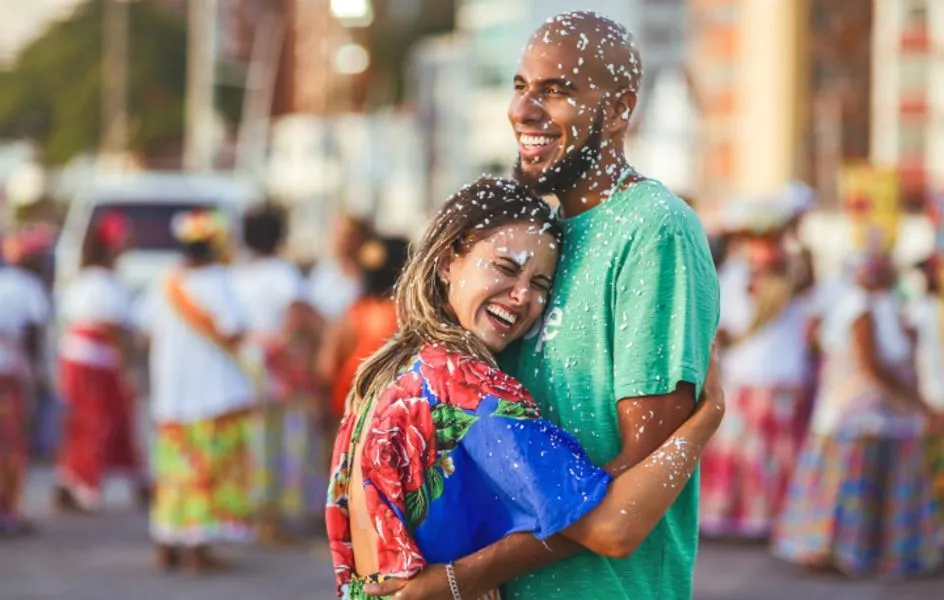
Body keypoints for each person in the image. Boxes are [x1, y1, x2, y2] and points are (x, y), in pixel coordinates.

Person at [369, 11, 720, 600]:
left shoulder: (654, 229)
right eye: (520, 86)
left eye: (556, 92)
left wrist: (459, 579)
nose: (524, 111)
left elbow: (638, 477)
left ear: (618, 109)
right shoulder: (539, 235)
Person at [327, 176, 724, 600]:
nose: (520, 297)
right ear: (447, 260)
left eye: (540, 286)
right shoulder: (466, 388)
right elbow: (615, 528)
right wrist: (704, 420)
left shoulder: (391, 372)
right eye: (505, 267)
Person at [772, 250, 942, 577]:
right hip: (859, 414)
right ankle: (846, 551)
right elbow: (872, 367)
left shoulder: (887, 310)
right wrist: (916, 402)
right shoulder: (861, 311)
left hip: (876, 415)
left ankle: (862, 551)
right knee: (854, 485)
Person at [134, 209, 253, 572]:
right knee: (208, 472)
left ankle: (168, 541)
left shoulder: (165, 282)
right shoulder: (220, 281)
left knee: (173, 472)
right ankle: (197, 549)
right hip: (215, 395)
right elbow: (234, 330)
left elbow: (144, 330)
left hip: (173, 395)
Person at [699, 238, 812, 538]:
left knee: (773, 456)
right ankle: (730, 516)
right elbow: (722, 330)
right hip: (745, 383)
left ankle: (772, 519)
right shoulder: (732, 286)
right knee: (739, 454)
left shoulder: (792, 289)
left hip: (778, 384)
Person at [231, 204, 320, 545]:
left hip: (243, 362)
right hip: (275, 364)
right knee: (278, 441)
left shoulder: (238, 273)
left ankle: (252, 512)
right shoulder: (282, 273)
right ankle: (271, 519)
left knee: (251, 439)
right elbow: (298, 316)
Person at [54, 211, 149, 512]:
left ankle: (130, 480)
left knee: (111, 423)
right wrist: (125, 363)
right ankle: (80, 483)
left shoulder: (100, 280)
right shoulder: (97, 282)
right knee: (93, 425)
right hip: (93, 364)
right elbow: (111, 329)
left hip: (92, 361)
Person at [318, 235, 409, 429]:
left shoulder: (355, 312)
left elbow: (327, 365)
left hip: (351, 402)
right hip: (392, 407)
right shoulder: (408, 313)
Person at [0, 236, 51, 535]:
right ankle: (8, 511)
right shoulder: (29, 288)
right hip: (10, 377)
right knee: (12, 446)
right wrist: (39, 377)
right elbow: (35, 337)